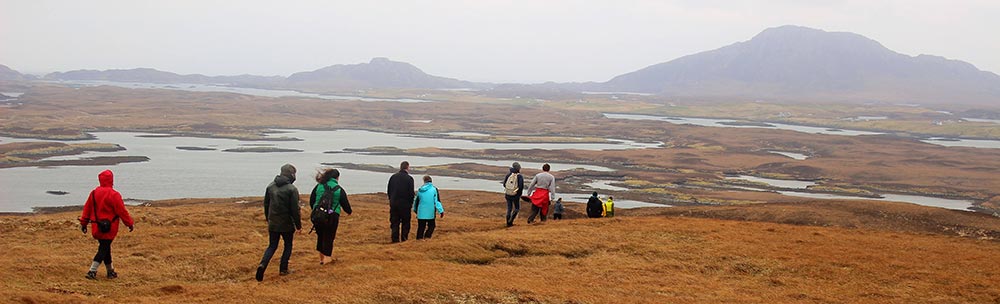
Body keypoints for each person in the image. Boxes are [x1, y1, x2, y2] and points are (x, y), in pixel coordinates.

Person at [79, 169, 135, 280]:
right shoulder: (114, 194)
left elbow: (87, 209)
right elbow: (121, 211)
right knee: (103, 248)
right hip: (110, 227)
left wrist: (84, 223)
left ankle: (110, 271)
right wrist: (129, 223)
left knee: (105, 247)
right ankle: (92, 271)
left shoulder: (94, 193)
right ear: (111, 180)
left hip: (96, 227)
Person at [256, 164, 302, 282]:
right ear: (291, 174)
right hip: (286, 223)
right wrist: (298, 226)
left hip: (273, 222)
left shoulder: (270, 186)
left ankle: (263, 264)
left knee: (272, 246)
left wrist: (268, 218)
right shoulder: (291, 189)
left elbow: (266, 205)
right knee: (288, 245)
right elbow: (295, 210)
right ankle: (283, 269)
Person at [309, 168, 352, 265]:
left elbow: (312, 200)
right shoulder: (339, 189)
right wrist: (349, 212)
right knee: (329, 237)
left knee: (320, 236)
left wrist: (316, 210)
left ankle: (322, 259)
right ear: (337, 178)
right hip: (332, 216)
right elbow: (345, 203)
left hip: (318, 215)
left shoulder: (319, 186)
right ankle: (327, 259)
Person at [387, 161, 415, 243]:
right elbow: (411, 193)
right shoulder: (409, 178)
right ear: (407, 167)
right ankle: (404, 238)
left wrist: (391, 200)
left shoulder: (393, 177)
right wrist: (410, 203)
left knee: (394, 222)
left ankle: (395, 239)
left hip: (394, 203)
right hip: (405, 205)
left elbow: (389, 190)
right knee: (406, 222)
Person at [413, 175, 445, 239]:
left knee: (421, 227)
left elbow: (416, 201)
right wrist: (441, 211)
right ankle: (427, 237)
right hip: (430, 212)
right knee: (432, 226)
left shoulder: (420, 190)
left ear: (424, 181)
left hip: (421, 212)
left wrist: (415, 210)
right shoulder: (434, 189)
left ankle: (419, 240)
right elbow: (437, 201)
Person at [501, 162, 524, 227]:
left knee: (509, 208)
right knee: (517, 208)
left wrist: (508, 190)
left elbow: (504, 184)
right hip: (515, 195)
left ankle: (507, 222)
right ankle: (511, 221)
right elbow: (521, 186)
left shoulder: (508, 175)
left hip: (508, 194)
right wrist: (518, 194)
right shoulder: (519, 176)